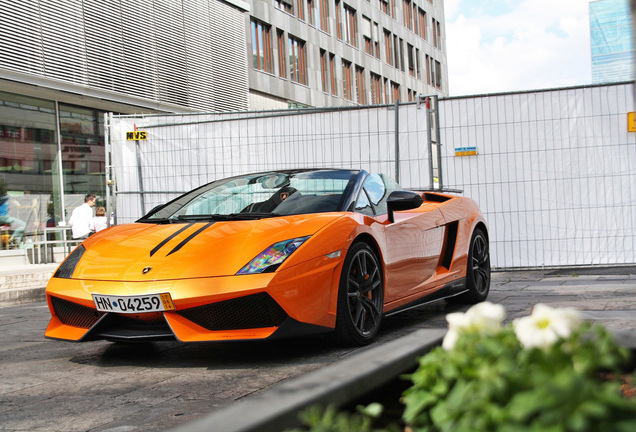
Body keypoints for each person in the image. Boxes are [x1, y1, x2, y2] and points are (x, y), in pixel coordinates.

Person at [0, 179, 26, 247]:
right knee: (23, 224)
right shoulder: (6, 196)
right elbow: (17, 204)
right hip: (5, 218)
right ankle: (13, 238)